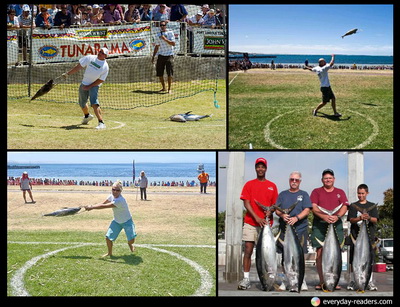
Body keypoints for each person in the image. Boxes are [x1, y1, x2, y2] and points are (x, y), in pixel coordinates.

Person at [237, 157, 278, 290]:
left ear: (266, 169)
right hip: (251, 222)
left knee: (266, 254)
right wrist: (256, 217)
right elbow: (246, 202)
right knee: (248, 250)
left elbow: (275, 205)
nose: (260, 169)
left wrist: (269, 212)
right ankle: (246, 278)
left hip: (266, 224)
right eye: (258, 166)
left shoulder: (272, 186)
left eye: (263, 167)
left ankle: (267, 277)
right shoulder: (249, 184)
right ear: (255, 168)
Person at [310, 168, 349, 290]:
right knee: (320, 252)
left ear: (334, 179)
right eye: (326, 178)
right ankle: (322, 281)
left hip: (336, 223)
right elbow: (314, 207)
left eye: (330, 178)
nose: (328, 180)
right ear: (322, 180)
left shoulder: (340, 192)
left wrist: (337, 216)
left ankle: (334, 279)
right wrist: (324, 216)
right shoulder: (316, 192)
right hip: (320, 224)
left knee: (336, 252)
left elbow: (344, 206)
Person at [276, 171, 311, 291]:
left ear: (300, 181)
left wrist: (296, 218)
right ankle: (286, 280)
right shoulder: (282, 194)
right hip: (285, 229)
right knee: (285, 256)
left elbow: (307, 210)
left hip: (300, 229)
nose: (294, 182)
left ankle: (302, 279)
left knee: (299, 256)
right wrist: (283, 216)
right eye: (292, 179)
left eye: (296, 180)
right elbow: (277, 210)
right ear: (289, 180)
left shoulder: (304, 194)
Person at [85, 180, 137, 257]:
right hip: (116, 221)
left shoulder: (120, 201)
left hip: (127, 221)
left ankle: (130, 244)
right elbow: (102, 203)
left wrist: (92, 207)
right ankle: (110, 253)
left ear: (120, 191)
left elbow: (104, 206)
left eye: (117, 190)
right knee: (108, 238)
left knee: (131, 240)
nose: (115, 191)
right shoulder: (111, 196)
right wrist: (91, 206)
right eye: (113, 189)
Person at [63, 48, 109, 129]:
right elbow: (78, 67)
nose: (100, 53)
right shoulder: (90, 58)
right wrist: (67, 74)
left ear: (105, 56)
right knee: (82, 103)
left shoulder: (105, 67)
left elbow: (101, 80)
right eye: (100, 51)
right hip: (84, 83)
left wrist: (89, 86)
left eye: (102, 53)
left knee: (94, 103)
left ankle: (101, 123)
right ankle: (87, 116)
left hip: (94, 85)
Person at [347, 184, 378, 291]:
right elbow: (351, 220)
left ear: (367, 193)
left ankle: (369, 281)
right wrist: (360, 217)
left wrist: (368, 217)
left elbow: (376, 220)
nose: (360, 195)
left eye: (362, 193)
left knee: (369, 259)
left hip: (369, 237)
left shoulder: (372, 205)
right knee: (353, 259)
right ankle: (352, 281)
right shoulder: (353, 206)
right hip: (356, 237)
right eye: (359, 193)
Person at [152, 21, 175, 94]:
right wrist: (153, 56)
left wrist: (165, 39)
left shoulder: (170, 33)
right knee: (159, 73)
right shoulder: (158, 35)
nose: (162, 26)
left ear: (166, 26)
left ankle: (169, 89)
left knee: (170, 73)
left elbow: (173, 43)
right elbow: (156, 46)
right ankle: (164, 87)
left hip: (169, 55)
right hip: (161, 55)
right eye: (161, 25)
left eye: (163, 25)